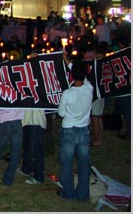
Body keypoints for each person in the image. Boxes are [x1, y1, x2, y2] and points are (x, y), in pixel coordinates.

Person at [57, 57, 93, 201]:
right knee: (84, 163)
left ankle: (68, 192)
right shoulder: (89, 88)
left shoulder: (68, 93)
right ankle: (83, 194)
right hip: (84, 130)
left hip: (69, 131)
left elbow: (60, 113)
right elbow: (80, 73)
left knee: (67, 162)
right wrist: (68, 61)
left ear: (72, 76)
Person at [18, 109, 46, 185]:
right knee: (27, 147)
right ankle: (26, 169)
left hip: (36, 121)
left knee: (35, 150)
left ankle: (39, 176)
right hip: (26, 120)